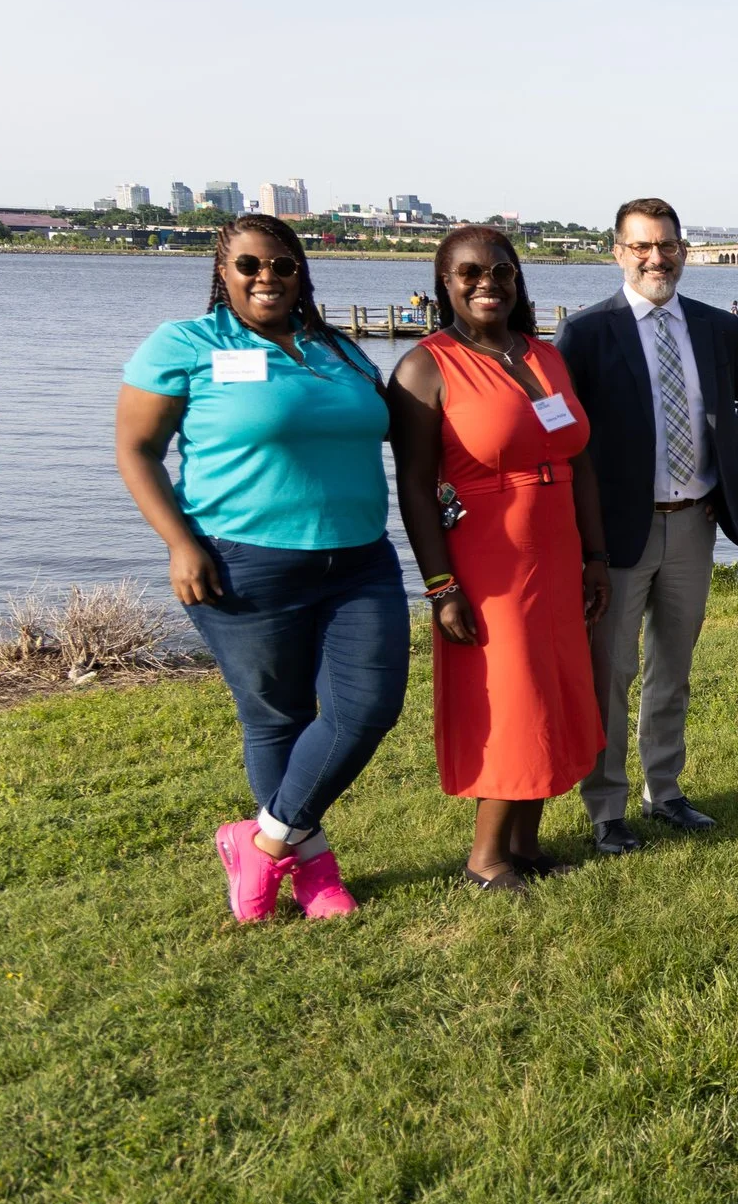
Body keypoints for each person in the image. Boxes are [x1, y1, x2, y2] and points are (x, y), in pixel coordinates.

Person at [116, 214, 404, 922]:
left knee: (368, 707)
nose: (265, 277)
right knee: (277, 716)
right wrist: (179, 543)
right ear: (222, 271)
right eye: (248, 265)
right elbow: (136, 450)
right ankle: (315, 874)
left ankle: (261, 839)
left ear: (302, 271)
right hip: (243, 562)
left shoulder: (336, 348)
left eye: (281, 264)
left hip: (360, 557)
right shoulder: (186, 344)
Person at [389, 226, 610, 893]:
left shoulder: (545, 356)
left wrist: (595, 555)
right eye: (469, 273)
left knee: (550, 690)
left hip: (557, 546)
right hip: (489, 559)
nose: (487, 283)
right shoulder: (425, 368)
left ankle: (527, 844)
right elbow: (417, 489)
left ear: (518, 280)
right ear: (444, 284)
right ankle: (487, 859)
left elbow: (580, 461)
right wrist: (439, 582)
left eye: (502, 271)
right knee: (512, 699)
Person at [555, 197, 738, 854]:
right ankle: (606, 807)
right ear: (617, 251)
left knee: (673, 666)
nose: (656, 257)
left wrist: (727, 480)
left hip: (693, 525)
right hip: (618, 533)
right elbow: (569, 442)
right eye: (641, 245)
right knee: (609, 672)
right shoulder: (586, 334)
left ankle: (664, 790)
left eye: (667, 245)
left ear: (682, 249)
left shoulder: (713, 328)